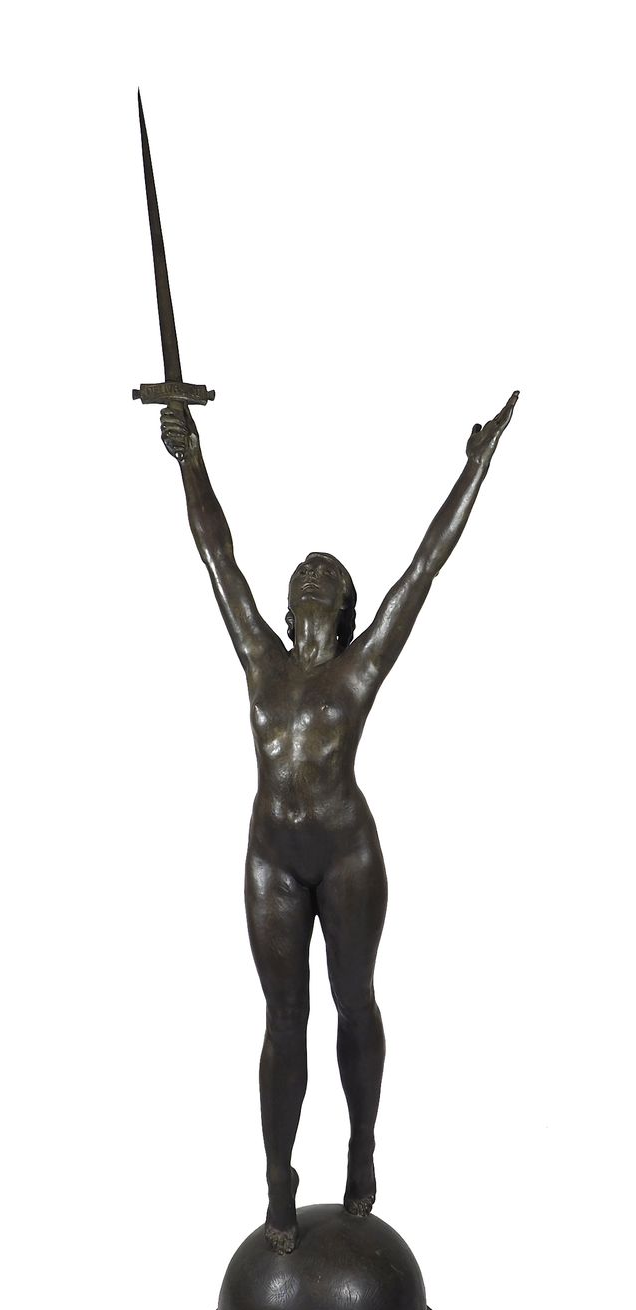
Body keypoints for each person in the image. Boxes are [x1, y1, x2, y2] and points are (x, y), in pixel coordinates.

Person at [160, 390, 519, 1251]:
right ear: (287, 610)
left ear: (347, 609)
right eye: (304, 572)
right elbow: (216, 554)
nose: (313, 571)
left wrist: (474, 466)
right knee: (282, 1019)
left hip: (348, 855)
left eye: (329, 573)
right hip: (272, 859)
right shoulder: (259, 657)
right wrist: (190, 458)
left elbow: (423, 568)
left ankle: (361, 1144)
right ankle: (278, 1179)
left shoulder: (360, 667)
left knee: (353, 1001)